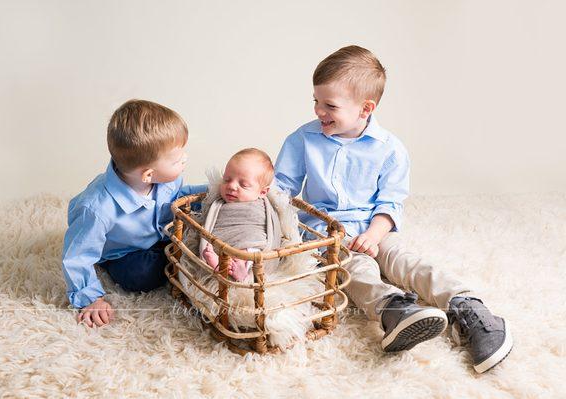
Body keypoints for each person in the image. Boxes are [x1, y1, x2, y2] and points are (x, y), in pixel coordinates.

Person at [274, 46, 512, 373]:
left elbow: (390, 202)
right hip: (330, 235)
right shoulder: (303, 140)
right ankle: (394, 310)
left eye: (329, 105)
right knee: (354, 272)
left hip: (377, 228)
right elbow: (281, 189)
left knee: (405, 263)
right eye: (315, 101)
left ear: (365, 108)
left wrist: (374, 235)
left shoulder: (390, 150)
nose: (319, 111)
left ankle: (469, 308)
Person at [62, 99, 205, 328]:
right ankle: (173, 259)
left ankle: (176, 254)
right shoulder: (98, 208)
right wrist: (90, 298)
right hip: (122, 252)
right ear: (148, 175)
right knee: (139, 275)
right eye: (178, 160)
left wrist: (209, 194)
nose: (185, 159)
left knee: (195, 232)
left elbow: (179, 197)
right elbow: (77, 255)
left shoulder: (164, 179)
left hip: (156, 233)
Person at [201, 148, 281, 282]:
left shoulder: (262, 207)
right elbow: (211, 224)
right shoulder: (219, 203)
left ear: (262, 192)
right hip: (226, 244)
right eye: (227, 179)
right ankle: (222, 264)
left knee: (253, 251)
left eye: (243, 185)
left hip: (249, 246)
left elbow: (273, 231)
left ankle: (242, 272)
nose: (231, 186)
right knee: (212, 246)